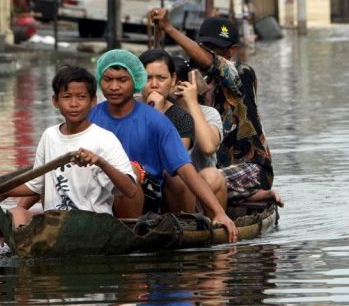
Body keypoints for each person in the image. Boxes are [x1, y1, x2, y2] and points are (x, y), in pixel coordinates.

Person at [89, 49, 238, 242]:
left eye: (122, 80)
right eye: (108, 80)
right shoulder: (91, 117)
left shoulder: (159, 120)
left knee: (132, 172)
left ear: (135, 80)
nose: (114, 87)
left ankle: (131, 234)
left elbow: (184, 168)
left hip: (147, 191)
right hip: (100, 187)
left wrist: (218, 212)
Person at [0, 66, 139, 228]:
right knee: (16, 213)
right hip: (54, 224)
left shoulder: (105, 139)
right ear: (55, 101)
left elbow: (130, 190)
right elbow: (35, 185)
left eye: (81, 97)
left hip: (93, 224)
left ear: (93, 101)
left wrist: (101, 162)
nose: (74, 104)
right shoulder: (49, 136)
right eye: (67, 97)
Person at [150, 9, 283, 207]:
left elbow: (210, 62)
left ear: (231, 50)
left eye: (215, 49)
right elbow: (156, 74)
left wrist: (169, 28)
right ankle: (244, 198)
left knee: (200, 182)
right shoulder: (190, 77)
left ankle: (249, 195)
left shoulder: (241, 74)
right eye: (205, 47)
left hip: (249, 168)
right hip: (206, 167)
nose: (207, 53)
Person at [171, 56, 223, 171]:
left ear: (180, 84)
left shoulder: (209, 113)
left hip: (202, 179)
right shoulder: (153, 109)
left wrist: (192, 102)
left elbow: (208, 147)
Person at [138, 49, 195, 150]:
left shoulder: (181, 118)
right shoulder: (126, 107)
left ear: (173, 79)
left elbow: (176, 159)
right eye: (147, 78)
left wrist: (157, 116)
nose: (154, 85)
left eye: (161, 78)